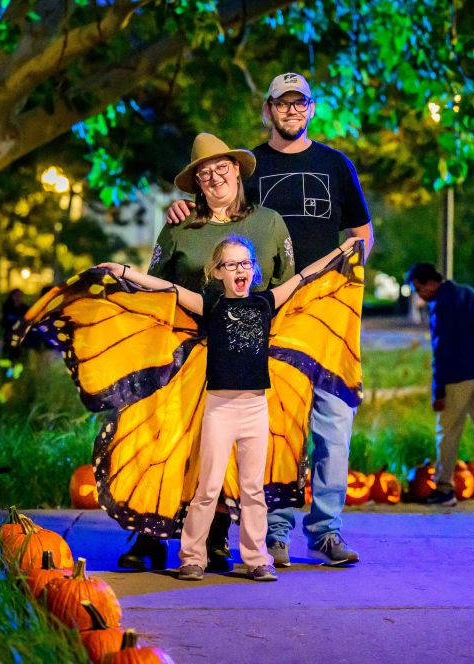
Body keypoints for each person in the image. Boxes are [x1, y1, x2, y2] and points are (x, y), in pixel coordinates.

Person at [166, 72, 374, 567]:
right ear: (268, 110)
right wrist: (179, 207)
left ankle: (326, 530)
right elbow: (214, 208)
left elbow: (362, 234)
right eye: (282, 104)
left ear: (312, 109)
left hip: (322, 313)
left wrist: (345, 290)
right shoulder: (250, 169)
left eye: (300, 103)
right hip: (264, 311)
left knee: (333, 420)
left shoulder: (335, 164)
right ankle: (275, 530)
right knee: (275, 424)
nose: (291, 111)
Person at [98, 235, 360, 581]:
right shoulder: (210, 305)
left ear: (254, 270)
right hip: (219, 409)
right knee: (207, 487)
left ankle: (257, 558)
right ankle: (192, 557)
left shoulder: (266, 303)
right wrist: (124, 271)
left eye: (245, 263)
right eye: (231, 264)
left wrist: (342, 250)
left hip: (255, 410)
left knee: (253, 489)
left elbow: (302, 278)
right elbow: (166, 289)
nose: (240, 269)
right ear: (217, 272)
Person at [120, 132, 295, 573]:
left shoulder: (269, 223)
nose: (215, 177)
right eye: (204, 172)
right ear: (196, 182)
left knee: (238, 467)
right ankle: (152, 536)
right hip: (185, 354)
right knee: (174, 446)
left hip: (247, 354)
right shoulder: (179, 225)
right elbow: (155, 287)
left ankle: (218, 540)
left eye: (221, 168)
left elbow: (288, 288)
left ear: (237, 170)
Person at [405, 262, 474, 509]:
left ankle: (445, 488)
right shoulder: (471, 294)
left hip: (457, 377)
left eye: (420, 289)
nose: (420, 295)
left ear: (431, 282)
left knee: (448, 432)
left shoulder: (441, 306)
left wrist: (438, 391)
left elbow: (441, 351)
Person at [0, 289, 28, 360]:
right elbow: (4, 321)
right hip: (9, 334)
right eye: (16, 295)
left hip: (21, 334)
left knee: (20, 352)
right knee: (9, 351)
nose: (18, 297)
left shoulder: (25, 308)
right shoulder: (7, 307)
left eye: (20, 296)